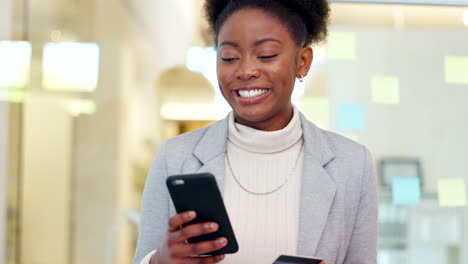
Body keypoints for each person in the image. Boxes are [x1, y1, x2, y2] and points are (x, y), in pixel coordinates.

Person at [133, 0, 377, 263]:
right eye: (229, 57)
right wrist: (159, 261)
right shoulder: (175, 157)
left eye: (267, 55)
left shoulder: (352, 164)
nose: (246, 70)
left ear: (302, 62)